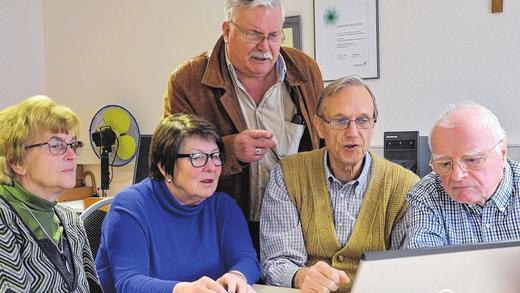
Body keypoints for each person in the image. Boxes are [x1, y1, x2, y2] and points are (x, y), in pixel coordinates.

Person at [163, 0, 323, 248]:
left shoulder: (305, 71)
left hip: (296, 230)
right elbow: (172, 161)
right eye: (254, 35)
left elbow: (323, 145)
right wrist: (228, 151)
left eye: (274, 36)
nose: (265, 47)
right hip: (221, 234)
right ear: (227, 31)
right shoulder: (188, 80)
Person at [260, 76, 420, 293]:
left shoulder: (405, 187)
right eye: (340, 121)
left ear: (373, 124)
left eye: (363, 120)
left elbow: (410, 268)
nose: (352, 132)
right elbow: (276, 262)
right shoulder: (288, 175)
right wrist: (300, 276)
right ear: (320, 127)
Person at [95, 113, 260, 293]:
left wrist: (237, 276)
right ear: (164, 167)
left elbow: (247, 259)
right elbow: (129, 282)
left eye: (215, 156)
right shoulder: (131, 207)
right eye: (197, 158)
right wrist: (184, 290)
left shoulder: (223, 206)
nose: (211, 167)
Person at [0, 96, 101, 292]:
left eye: (73, 144)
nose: (71, 155)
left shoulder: (71, 221)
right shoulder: (5, 218)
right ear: (17, 161)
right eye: (56, 145)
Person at [397, 102, 520, 249]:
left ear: (502, 154)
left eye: (471, 160)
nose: (456, 176)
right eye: (445, 164)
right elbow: (424, 266)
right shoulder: (427, 196)